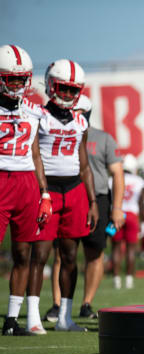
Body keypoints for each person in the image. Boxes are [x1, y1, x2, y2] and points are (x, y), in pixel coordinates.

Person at [27, 59, 99, 332]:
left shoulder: (81, 120)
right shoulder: (38, 116)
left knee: (70, 256)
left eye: (72, 89)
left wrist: (92, 201)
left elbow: (84, 164)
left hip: (74, 190)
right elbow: (35, 157)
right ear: (50, 86)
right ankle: (33, 316)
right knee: (41, 254)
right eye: (63, 88)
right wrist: (43, 190)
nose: (68, 94)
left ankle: (65, 318)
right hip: (48, 191)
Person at [43, 95, 125, 321]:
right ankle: (57, 304)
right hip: (65, 193)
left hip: (97, 197)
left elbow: (117, 173)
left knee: (95, 252)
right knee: (61, 253)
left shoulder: (104, 138)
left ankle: (86, 303)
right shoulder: (53, 130)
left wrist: (117, 207)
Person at [0, 45, 50, 336]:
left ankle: (11, 320)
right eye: (12, 79)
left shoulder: (34, 112)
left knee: (24, 253)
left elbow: (35, 154)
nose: (18, 85)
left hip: (26, 183)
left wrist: (44, 191)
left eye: (22, 79)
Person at [110, 153, 144, 290]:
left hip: (117, 214)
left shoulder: (112, 179)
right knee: (131, 249)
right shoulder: (139, 181)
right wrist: (143, 222)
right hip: (132, 215)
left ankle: (116, 279)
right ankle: (129, 279)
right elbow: (142, 203)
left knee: (116, 248)